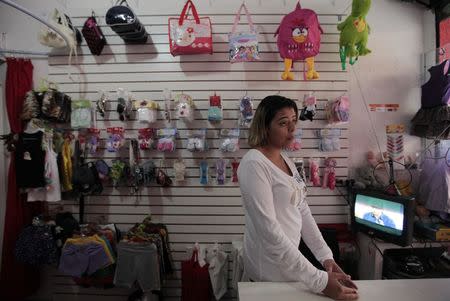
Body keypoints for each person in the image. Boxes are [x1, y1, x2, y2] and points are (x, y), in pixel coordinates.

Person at [238, 95, 358, 300]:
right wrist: (319, 281)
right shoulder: (254, 165)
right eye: (283, 123)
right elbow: (269, 232)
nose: (292, 128)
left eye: (294, 120)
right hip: (267, 275)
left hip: (289, 270)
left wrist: (325, 257)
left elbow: (302, 211)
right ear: (265, 127)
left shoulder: (286, 160)